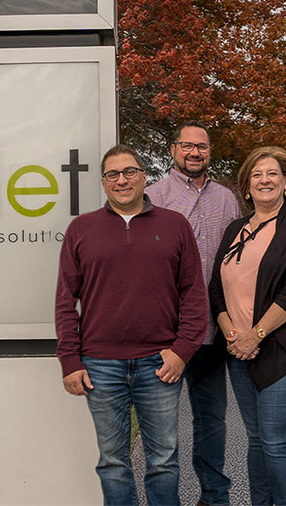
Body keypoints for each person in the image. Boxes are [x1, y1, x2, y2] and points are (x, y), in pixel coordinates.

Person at [55, 144, 208, 506]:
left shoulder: (175, 226)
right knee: (112, 463)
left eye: (129, 172)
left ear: (143, 177)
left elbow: (195, 296)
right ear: (104, 182)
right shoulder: (81, 229)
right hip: (99, 365)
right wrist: (70, 361)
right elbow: (65, 301)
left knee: (163, 461)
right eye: (112, 174)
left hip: (160, 364)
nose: (121, 180)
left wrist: (182, 352)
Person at [209, 146, 286, 506]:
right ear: (246, 187)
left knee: (275, 440)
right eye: (257, 175)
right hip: (239, 349)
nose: (265, 180)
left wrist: (255, 334)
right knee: (256, 439)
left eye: (273, 173)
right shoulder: (234, 229)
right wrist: (233, 335)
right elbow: (215, 288)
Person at [146, 120, 241, 506]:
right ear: (173, 150)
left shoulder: (227, 199)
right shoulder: (153, 196)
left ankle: (214, 497)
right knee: (162, 429)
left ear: (209, 151)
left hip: (213, 331)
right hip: (165, 333)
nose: (194, 153)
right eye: (187, 146)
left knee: (211, 421)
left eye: (201, 147)